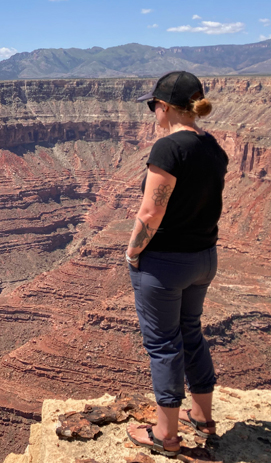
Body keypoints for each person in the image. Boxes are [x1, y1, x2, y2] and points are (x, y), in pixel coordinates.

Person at [124, 71, 228, 457]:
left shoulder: (168, 149)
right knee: (190, 333)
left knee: (163, 344)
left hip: (166, 264)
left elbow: (151, 212)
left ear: (165, 107)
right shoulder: (213, 147)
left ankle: (165, 436)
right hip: (204, 259)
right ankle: (202, 416)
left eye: (154, 106)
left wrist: (133, 252)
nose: (153, 113)